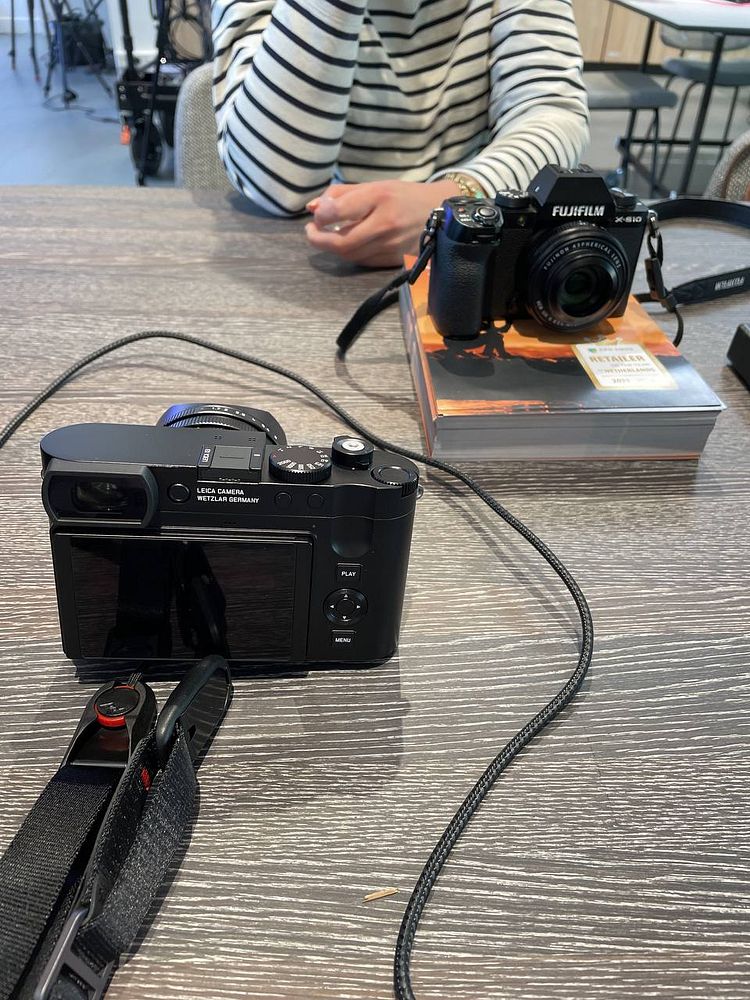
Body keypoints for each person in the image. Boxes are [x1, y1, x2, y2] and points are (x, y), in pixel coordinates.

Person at [211, 0, 589, 266]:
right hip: (302, 260)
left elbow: (553, 113)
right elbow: (274, 185)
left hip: (470, 253)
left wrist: (454, 203)